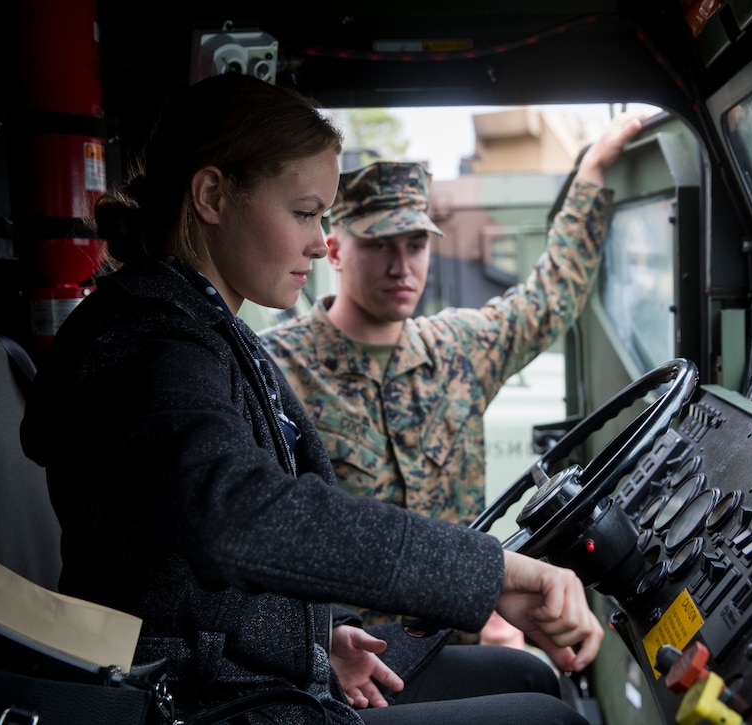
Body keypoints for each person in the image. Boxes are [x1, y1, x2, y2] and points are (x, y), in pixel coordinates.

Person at [19, 71, 602, 725]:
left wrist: (322, 636)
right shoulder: (153, 344)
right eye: (302, 212)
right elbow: (241, 519)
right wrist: (493, 572)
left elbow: (194, 561)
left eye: (321, 216)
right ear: (211, 194)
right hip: (199, 700)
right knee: (548, 720)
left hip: (237, 671)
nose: (315, 243)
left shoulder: (205, 326)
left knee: (526, 672)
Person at [261, 111, 644, 643]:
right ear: (335, 251)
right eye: (379, 245)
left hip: (462, 632)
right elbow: (260, 538)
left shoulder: (459, 349)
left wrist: (593, 174)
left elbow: (549, 298)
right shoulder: (276, 369)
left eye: (415, 245)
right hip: (347, 657)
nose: (402, 267)